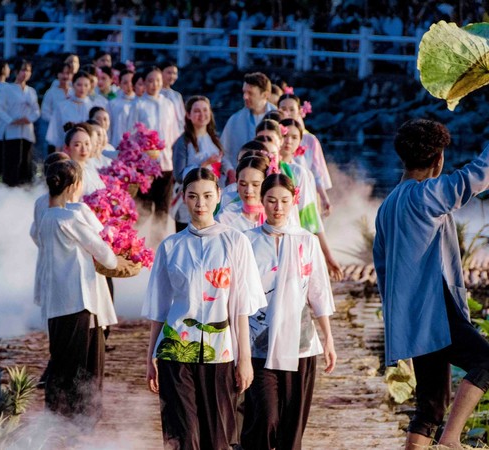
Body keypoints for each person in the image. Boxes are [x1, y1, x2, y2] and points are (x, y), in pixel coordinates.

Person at [373, 110, 489, 450]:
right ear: (438, 160)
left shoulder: (390, 203)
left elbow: (382, 267)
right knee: (487, 361)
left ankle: (435, 439)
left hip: (410, 315)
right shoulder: (425, 195)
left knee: (430, 405)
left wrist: (396, 321)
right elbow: (478, 176)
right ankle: (451, 439)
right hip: (433, 309)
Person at [143, 167, 267, 450]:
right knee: (182, 435)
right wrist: (150, 355)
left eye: (208, 196)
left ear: (219, 196)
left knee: (218, 437)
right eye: (193, 196)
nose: (200, 204)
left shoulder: (235, 242)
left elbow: (240, 308)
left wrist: (244, 359)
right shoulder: (170, 246)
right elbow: (159, 308)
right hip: (175, 350)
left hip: (220, 351)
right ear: (183, 198)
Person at [241, 173, 336, 450]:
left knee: (292, 425)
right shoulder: (246, 241)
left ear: (294, 201)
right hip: (258, 342)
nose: (278, 207)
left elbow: (318, 292)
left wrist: (328, 338)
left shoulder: (307, 241)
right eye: (271, 200)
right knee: (266, 417)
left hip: (301, 343)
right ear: (262, 202)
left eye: (284, 200)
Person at [32, 158, 121, 419]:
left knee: (60, 361)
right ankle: (79, 419)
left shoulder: (46, 215)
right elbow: (108, 257)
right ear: (74, 186)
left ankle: (55, 417)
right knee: (80, 365)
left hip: (55, 302)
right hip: (77, 301)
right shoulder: (70, 218)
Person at [279, 118, 342, 280]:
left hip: (291, 240)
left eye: (294, 137)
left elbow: (310, 218)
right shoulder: (265, 166)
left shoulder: (300, 173)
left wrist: (327, 255)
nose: (288, 141)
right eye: (285, 135)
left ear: (300, 141)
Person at [127, 67, 180, 216]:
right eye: (150, 81)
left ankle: (160, 236)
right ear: (143, 83)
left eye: (157, 80)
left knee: (163, 207)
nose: (154, 84)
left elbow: (174, 133)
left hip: (166, 162)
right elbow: (131, 134)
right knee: (144, 206)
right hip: (145, 164)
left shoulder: (168, 104)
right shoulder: (137, 105)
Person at [171, 95, 225, 231]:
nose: (202, 114)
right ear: (188, 115)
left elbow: (223, 159)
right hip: (190, 200)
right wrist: (205, 163)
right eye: (197, 111)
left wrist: (229, 170)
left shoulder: (214, 137)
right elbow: (179, 175)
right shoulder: (183, 142)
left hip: (213, 196)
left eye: (205, 110)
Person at [278, 93, 333, 216]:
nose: (287, 113)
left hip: (307, 192)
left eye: (292, 109)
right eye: (283, 109)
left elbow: (316, 172)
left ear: (299, 111)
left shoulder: (309, 140)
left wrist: (324, 198)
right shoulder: (274, 138)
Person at [220, 72, 277, 182]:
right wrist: (230, 171)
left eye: (250, 93)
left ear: (265, 95)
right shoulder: (234, 120)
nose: (245, 96)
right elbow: (223, 152)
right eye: (244, 92)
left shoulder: (279, 118)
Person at [0, 59, 40, 186]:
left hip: (27, 130)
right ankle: (10, 187)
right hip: (12, 130)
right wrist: (11, 120)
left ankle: (25, 188)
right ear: (16, 72)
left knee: (26, 161)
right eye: (23, 70)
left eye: (28, 70)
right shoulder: (8, 89)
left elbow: (36, 110)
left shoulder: (31, 91)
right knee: (12, 161)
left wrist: (28, 119)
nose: (25, 73)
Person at [216, 155, 269, 231]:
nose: (249, 190)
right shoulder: (226, 218)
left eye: (255, 185)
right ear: (236, 183)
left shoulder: (276, 213)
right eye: (243, 184)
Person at [46, 71, 95, 151]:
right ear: (73, 85)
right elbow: (56, 133)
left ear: (90, 86)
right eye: (79, 85)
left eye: (86, 85)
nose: (82, 88)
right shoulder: (62, 107)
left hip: (87, 150)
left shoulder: (93, 107)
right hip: (67, 149)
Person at [41, 62, 73, 154]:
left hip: (71, 133)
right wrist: (56, 121)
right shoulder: (51, 92)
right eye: (62, 73)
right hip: (55, 132)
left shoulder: (74, 92)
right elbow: (44, 112)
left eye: (68, 73)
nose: (65, 76)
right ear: (57, 75)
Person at [108, 68, 136, 148]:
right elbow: (110, 127)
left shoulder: (139, 102)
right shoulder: (113, 104)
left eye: (131, 81)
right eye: (125, 83)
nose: (129, 85)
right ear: (119, 84)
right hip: (117, 142)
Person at [160, 61, 185, 134]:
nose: (172, 76)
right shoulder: (155, 94)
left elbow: (182, 118)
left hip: (175, 132)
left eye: (174, 73)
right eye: (169, 73)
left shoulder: (177, 96)